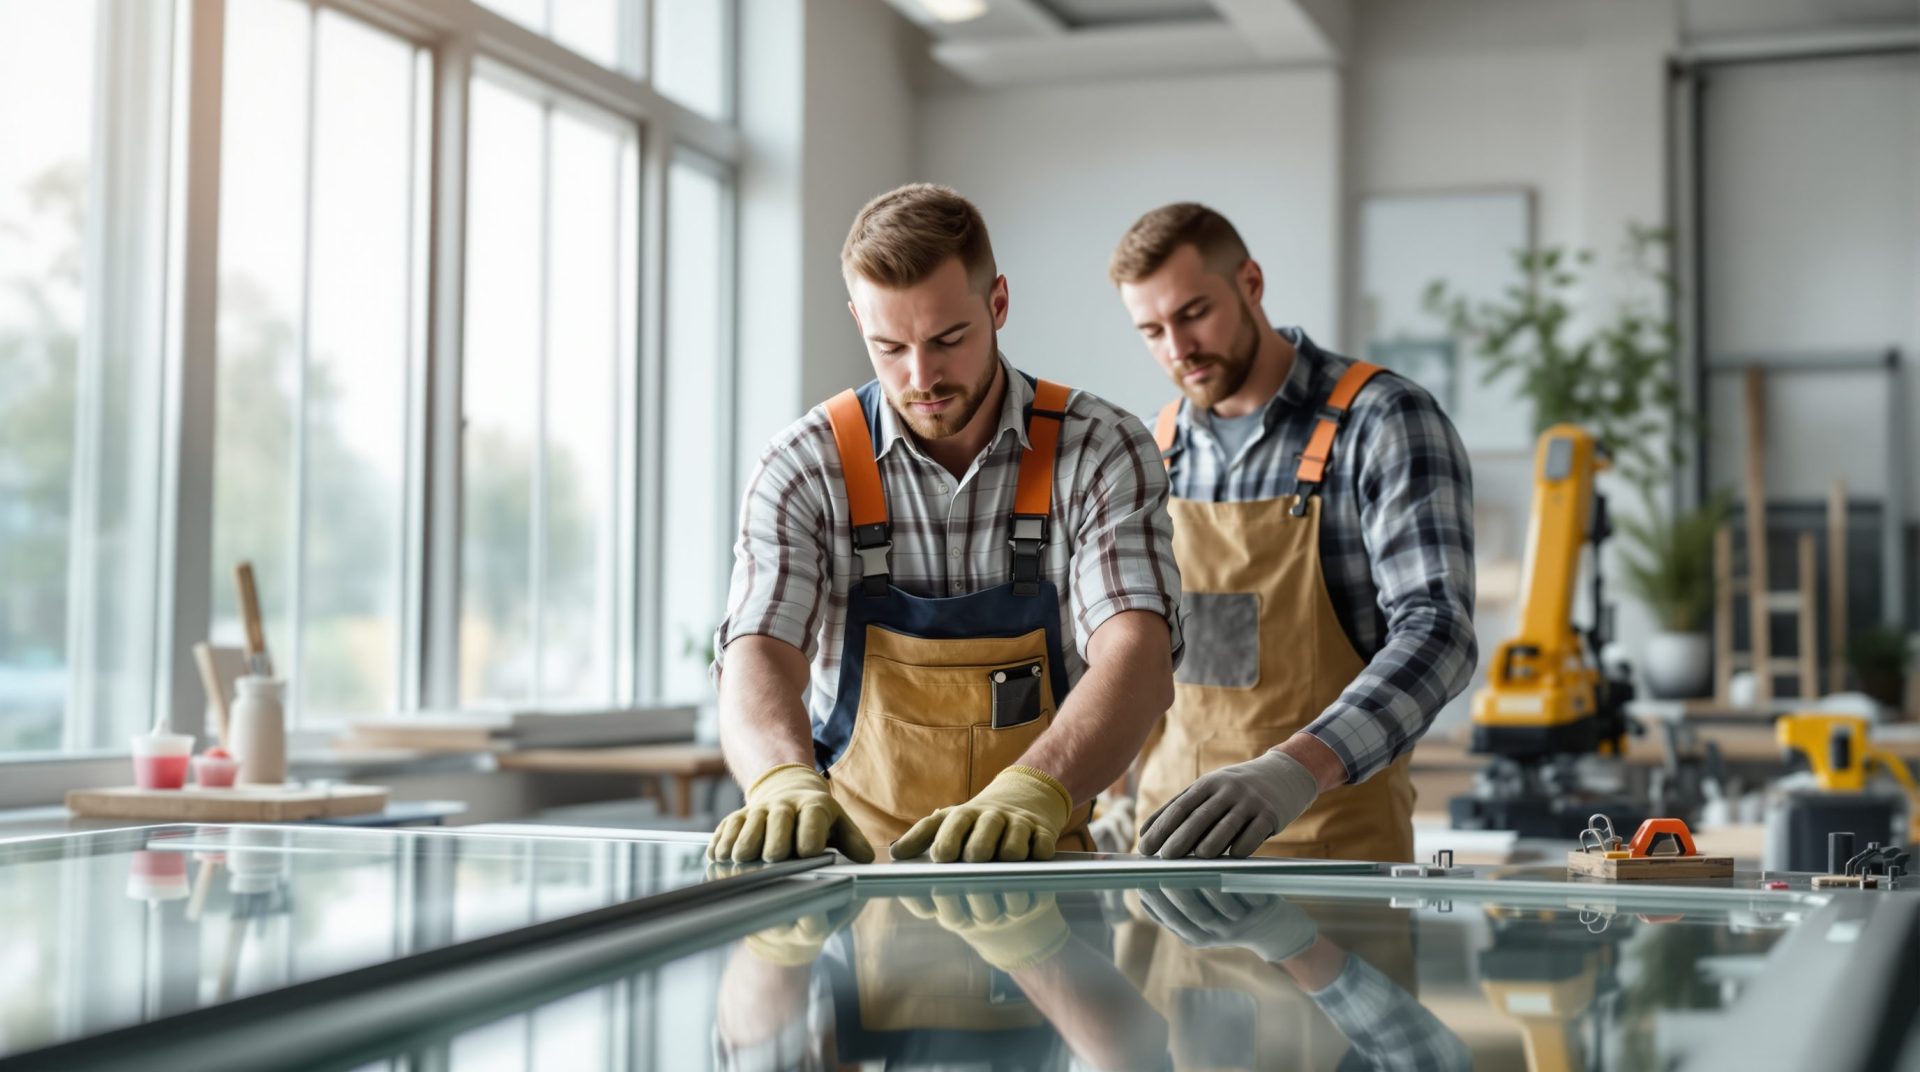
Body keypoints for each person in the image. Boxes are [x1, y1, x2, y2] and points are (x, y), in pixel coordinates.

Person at [706, 183, 1182, 865]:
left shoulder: (1101, 448)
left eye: (947, 339)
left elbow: (1137, 656)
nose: (921, 376)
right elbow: (758, 647)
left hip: (1040, 869)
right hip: (855, 876)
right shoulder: (805, 465)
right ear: (857, 320)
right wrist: (779, 779)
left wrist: (1034, 792)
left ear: (999, 304)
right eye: (888, 346)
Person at [1110, 202, 1475, 862]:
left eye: (1193, 314)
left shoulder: (1385, 421)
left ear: (1250, 282)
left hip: (1331, 862)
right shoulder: (1153, 451)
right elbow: (1128, 651)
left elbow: (1438, 632)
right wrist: (1107, 798)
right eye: (1152, 330)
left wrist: (1293, 772)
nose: (1178, 349)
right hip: (1169, 863)